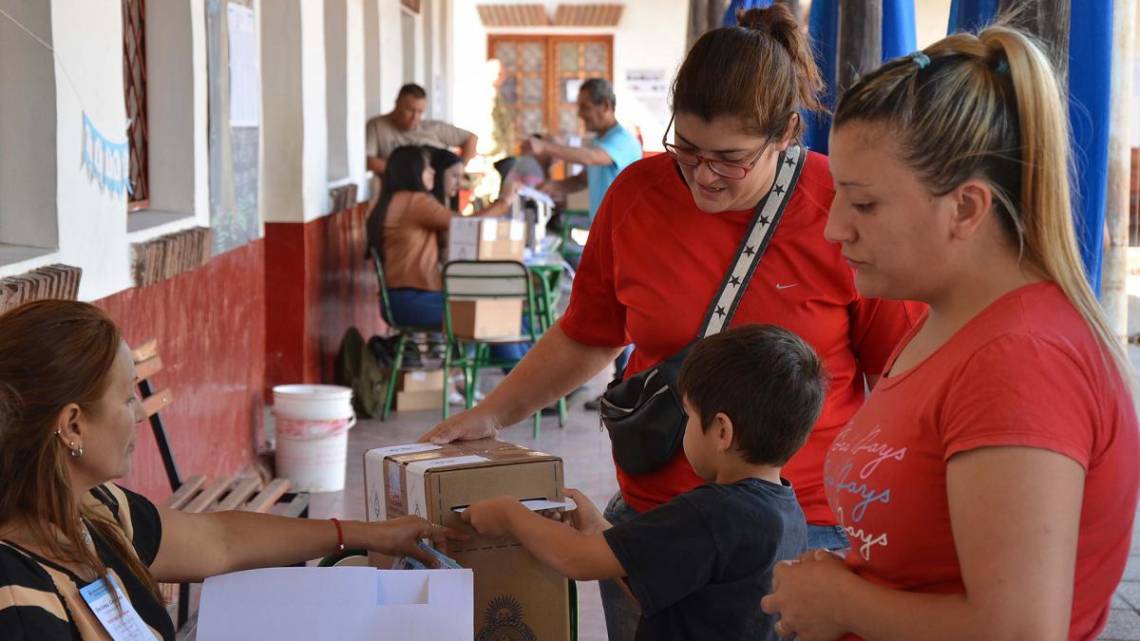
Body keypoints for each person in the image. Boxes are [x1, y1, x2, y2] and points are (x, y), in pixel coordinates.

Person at [422, 7, 922, 641]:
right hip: (651, 521)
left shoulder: (841, 209)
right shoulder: (636, 195)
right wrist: (491, 413)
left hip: (798, 531)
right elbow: (589, 331)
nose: (702, 175)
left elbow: (899, 380)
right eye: (685, 148)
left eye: (730, 158)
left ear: (788, 132)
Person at [760, 26, 1139, 641]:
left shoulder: (1021, 361)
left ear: (965, 208)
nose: (833, 230)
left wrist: (844, 601)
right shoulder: (946, 319)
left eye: (864, 204)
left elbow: (1018, 630)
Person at [0, 300, 461, 640]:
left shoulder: (90, 509)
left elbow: (219, 542)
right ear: (72, 425)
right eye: (126, 398)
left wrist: (370, 535)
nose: (139, 414)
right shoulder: (19, 600)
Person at [463, 324, 824, 641]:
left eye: (689, 416)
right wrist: (595, 527)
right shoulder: (784, 509)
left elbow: (577, 560)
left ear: (722, 431)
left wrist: (509, 515)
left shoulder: (710, 512)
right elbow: (656, 571)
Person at [365, 145, 524, 360]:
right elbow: (466, 225)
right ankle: (532, 384)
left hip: (404, 300)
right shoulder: (414, 202)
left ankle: (535, 380)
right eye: (427, 168)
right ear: (412, 171)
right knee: (496, 314)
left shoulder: (391, 201)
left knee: (507, 315)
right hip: (412, 301)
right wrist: (504, 202)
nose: (432, 172)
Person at [522, 78, 642, 226]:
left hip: (622, 229)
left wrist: (544, 147)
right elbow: (582, 180)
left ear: (605, 106)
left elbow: (591, 158)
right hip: (602, 229)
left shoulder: (623, 140)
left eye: (585, 107)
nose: (580, 114)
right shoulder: (598, 141)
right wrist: (554, 186)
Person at [366, 84, 477, 176]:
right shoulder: (377, 125)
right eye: (410, 110)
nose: (415, 117)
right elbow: (369, 161)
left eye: (420, 112)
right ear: (397, 104)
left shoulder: (434, 128)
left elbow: (471, 138)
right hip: (396, 187)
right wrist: (411, 172)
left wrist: (460, 169)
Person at [428, 147, 464, 212]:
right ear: (439, 173)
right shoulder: (428, 203)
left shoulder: (451, 203)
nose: (460, 183)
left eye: (461, 177)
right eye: (455, 176)